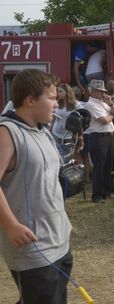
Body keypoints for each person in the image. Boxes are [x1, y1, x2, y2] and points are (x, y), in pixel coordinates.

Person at [0, 69, 73, 303]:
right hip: (34, 249)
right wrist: (11, 226)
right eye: (51, 98)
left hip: (59, 240)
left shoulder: (42, 131)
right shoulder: (7, 132)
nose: (56, 103)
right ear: (30, 100)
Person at [84, 79, 114, 203]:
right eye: (100, 92)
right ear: (93, 92)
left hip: (108, 135)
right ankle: (97, 195)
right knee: (99, 166)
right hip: (98, 136)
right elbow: (104, 120)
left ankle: (106, 191)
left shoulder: (103, 103)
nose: (103, 94)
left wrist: (110, 104)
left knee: (108, 165)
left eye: (103, 91)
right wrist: (111, 116)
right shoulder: (91, 104)